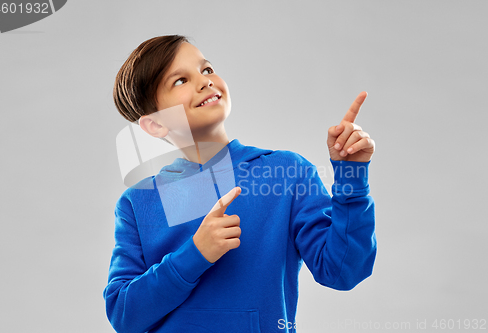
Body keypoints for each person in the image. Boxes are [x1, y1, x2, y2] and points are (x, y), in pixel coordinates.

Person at [103, 35, 377, 333]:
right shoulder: (138, 201)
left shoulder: (286, 172)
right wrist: (195, 253)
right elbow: (124, 315)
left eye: (206, 69)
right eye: (180, 80)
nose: (205, 81)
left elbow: (342, 272)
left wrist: (351, 175)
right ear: (156, 124)